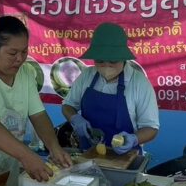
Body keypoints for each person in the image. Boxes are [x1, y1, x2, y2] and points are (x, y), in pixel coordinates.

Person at [0, 16, 72, 182]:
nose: (19, 58)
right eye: (12, 53)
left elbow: (38, 114)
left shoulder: (26, 73)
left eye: (24, 51)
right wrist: (26, 155)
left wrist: (54, 148)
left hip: (6, 167)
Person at [61, 22, 159, 154]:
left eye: (113, 60)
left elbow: (151, 128)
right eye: (100, 60)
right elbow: (67, 106)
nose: (106, 65)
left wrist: (134, 139)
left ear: (123, 58)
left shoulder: (139, 83)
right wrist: (74, 118)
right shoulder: (87, 76)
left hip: (127, 157)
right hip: (88, 154)